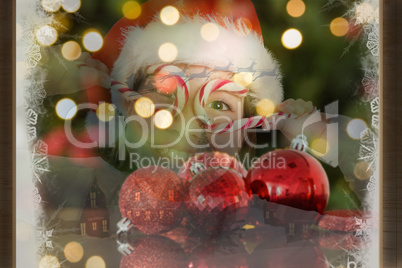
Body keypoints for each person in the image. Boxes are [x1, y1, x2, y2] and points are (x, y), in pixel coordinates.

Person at [80, 0, 322, 173]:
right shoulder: (95, 195)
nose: (189, 125)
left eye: (219, 104)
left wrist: (299, 147)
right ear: (131, 107)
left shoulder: (257, 205)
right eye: (166, 93)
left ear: (246, 132)